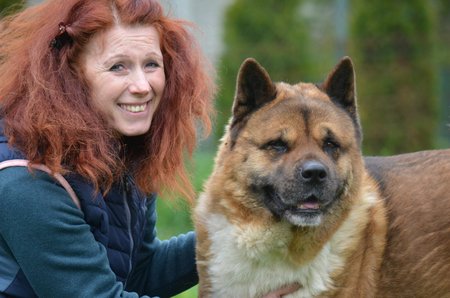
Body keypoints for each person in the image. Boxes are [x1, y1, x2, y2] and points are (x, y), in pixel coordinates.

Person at [0, 0, 300, 297]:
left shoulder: (122, 150)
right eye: (118, 67)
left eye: (151, 64)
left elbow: (140, 274)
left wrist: (245, 228)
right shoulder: (27, 182)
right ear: (69, 77)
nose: (142, 85)